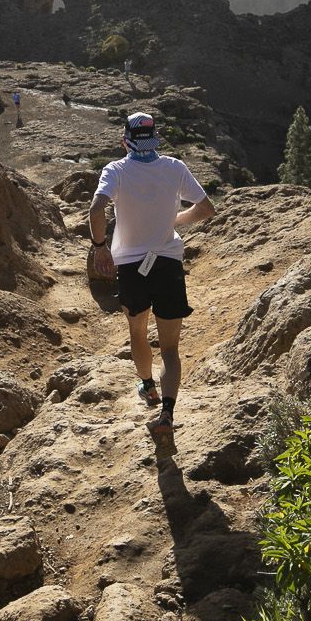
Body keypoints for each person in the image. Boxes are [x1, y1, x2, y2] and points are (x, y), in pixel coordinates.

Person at [88, 112, 214, 438]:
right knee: (170, 349)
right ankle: (168, 413)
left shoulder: (115, 171)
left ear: (124, 140)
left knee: (138, 332)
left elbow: (96, 209)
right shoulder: (175, 167)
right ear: (156, 137)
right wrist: (174, 220)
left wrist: (100, 246)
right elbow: (205, 208)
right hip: (168, 262)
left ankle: (147, 386)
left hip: (131, 266)